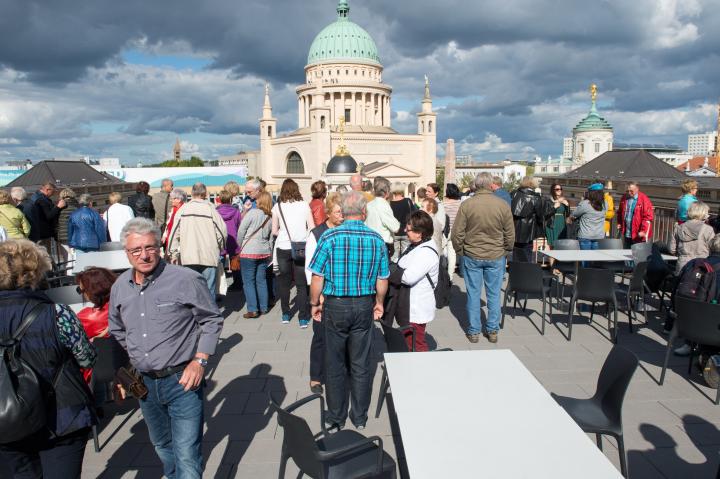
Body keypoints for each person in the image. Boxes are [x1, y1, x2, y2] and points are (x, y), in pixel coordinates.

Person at [109, 218, 223, 479]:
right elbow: (116, 328)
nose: (144, 255)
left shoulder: (185, 279)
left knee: (186, 453)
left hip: (182, 380)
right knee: (162, 446)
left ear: (160, 247)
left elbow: (211, 319)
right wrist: (137, 353)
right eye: (136, 250)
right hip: (144, 384)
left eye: (150, 247)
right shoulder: (120, 287)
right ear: (126, 253)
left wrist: (200, 361)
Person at [0, 239, 96, 478]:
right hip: (63, 415)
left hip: (6, 416)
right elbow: (87, 359)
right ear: (36, 271)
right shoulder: (57, 313)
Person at [308, 191, 390, 430]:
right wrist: (380, 302)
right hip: (364, 303)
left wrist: (315, 303)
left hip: (336, 304)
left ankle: (335, 417)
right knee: (361, 363)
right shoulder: (376, 239)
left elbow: (317, 276)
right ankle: (360, 416)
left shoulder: (330, 236)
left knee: (334, 363)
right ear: (364, 213)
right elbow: (382, 278)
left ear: (342, 212)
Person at [452, 173, 514, 344]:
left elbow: (457, 233)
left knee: (473, 294)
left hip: (472, 254)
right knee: (494, 295)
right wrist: (506, 250)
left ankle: (474, 331)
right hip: (495, 254)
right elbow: (510, 232)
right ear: (490, 185)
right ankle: (492, 330)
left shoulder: (467, 205)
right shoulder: (501, 204)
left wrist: (461, 250)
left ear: (476, 185)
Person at [304, 192, 343, 395]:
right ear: (328, 212)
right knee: (320, 337)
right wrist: (316, 297)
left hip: (340, 293)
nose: (342, 216)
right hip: (322, 293)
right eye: (338, 212)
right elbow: (310, 270)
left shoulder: (344, 231)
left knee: (339, 336)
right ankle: (316, 377)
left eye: (343, 211)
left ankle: (337, 371)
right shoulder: (317, 234)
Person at [168, 183, 227, 301]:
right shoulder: (211, 209)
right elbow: (222, 232)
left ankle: (196, 315)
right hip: (209, 255)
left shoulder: (183, 210)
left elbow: (174, 233)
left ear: (192, 193)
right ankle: (210, 316)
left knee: (192, 290)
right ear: (205, 194)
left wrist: (172, 252)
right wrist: (220, 247)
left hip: (188, 256)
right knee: (209, 289)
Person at [272, 179, 314, 327]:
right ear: (297, 189)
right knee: (301, 284)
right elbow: (312, 227)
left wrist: (285, 234)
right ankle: (303, 317)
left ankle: (285, 313)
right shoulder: (304, 205)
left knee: (284, 282)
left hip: (283, 246)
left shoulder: (278, 206)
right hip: (301, 246)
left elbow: (274, 231)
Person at [397, 210, 440, 352]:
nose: (405, 230)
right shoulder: (416, 245)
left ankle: (423, 371)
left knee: (416, 344)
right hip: (410, 304)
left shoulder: (426, 252)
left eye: (408, 229)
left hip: (417, 306)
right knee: (411, 341)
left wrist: (391, 271)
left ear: (419, 233)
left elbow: (408, 277)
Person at [75, 267, 117, 384]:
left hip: (92, 375)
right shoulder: (123, 308)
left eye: (81, 290)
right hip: (123, 366)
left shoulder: (86, 318)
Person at [237, 191, 274, 318]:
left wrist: (240, 244)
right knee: (261, 280)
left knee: (248, 281)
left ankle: (253, 309)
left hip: (249, 251)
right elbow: (270, 237)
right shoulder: (270, 216)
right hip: (263, 251)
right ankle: (263, 307)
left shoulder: (252, 213)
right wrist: (269, 251)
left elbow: (241, 230)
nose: (256, 201)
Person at [668, 201, 715, 273]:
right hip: (701, 266)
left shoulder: (678, 228)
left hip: (682, 265)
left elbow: (671, 249)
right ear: (703, 214)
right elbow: (713, 250)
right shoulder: (708, 229)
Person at [510, 176, 548, 262]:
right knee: (527, 252)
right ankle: (526, 271)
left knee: (516, 251)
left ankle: (516, 269)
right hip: (529, 230)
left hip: (514, 227)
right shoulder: (536, 197)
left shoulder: (514, 193)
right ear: (532, 183)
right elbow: (540, 215)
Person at [365, 177, 400, 258]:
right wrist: (398, 223)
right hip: (382, 244)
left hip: (370, 244)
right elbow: (395, 227)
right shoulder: (383, 205)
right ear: (386, 191)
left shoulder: (369, 204)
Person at [29, 182, 67, 255]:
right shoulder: (42, 200)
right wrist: (58, 207)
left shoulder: (35, 196)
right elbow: (49, 216)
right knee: (45, 255)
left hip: (39, 232)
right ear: (47, 190)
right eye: (52, 191)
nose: (53, 194)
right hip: (43, 233)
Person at [216, 190, 242, 289]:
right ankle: (238, 283)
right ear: (231, 199)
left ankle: (218, 286)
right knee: (234, 261)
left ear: (220, 199)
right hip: (233, 239)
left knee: (220, 263)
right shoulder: (236, 211)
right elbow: (240, 225)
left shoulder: (216, 212)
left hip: (221, 239)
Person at [617, 181, 654, 248]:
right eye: (627, 191)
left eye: (631, 191)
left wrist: (643, 231)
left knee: (637, 255)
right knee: (626, 253)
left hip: (638, 234)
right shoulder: (624, 197)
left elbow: (648, 218)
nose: (629, 193)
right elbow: (620, 212)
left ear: (637, 189)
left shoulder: (644, 199)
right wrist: (619, 223)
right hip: (627, 233)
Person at [389, 182, 415, 261]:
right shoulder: (408, 201)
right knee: (406, 255)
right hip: (406, 231)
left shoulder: (389, 203)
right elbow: (413, 215)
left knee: (394, 256)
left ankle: (394, 271)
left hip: (394, 232)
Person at [55, 188, 79, 263]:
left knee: (66, 258)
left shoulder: (59, 208)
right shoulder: (77, 207)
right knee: (76, 257)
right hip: (75, 236)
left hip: (62, 236)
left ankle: (68, 273)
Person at [443, 183, 462, 275]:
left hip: (445, 231)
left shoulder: (443, 204)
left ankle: (442, 273)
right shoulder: (461, 204)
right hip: (455, 231)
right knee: (452, 254)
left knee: (443, 252)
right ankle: (450, 276)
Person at [545, 182, 569, 248]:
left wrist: (567, 206)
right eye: (557, 189)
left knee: (561, 246)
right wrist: (554, 207)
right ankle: (552, 258)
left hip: (562, 224)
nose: (559, 190)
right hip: (552, 224)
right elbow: (545, 214)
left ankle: (558, 258)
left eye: (560, 189)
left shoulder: (564, 200)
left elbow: (568, 215)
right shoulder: (548, 201)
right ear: (553, 190)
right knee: (553, 246)